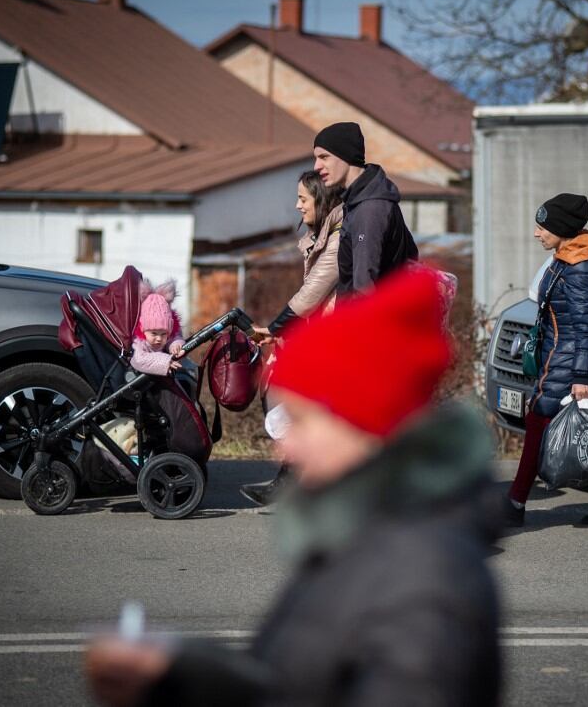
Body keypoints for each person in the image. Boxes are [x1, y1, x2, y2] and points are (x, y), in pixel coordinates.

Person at [85, 268, 502, 707]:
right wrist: (175, 675)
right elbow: (288, 682)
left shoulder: (424, 586)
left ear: (360, 423)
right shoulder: (356, 535)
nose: (285, 448)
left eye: (299, 421)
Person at [503, 193, 588, 528]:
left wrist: (581, 377)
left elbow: (586, 328)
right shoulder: (571, 258)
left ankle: (515, 503)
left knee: (540, 422)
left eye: (543, 227)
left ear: (562, 229)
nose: (537, 233)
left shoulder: (580, 270)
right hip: (564, 359)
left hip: (569, 363)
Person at [242, 171, 344, 506]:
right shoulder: (324, 235)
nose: (298, 206)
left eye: (303, 198)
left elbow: (312, 293)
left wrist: (277, 328)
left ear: (321, 199)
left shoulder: (338, 238)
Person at [311, 121, 418, 296]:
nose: (316, 166)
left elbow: (364, 289)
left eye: (324, 157)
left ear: (345, 155)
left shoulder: (369, 209)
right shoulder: (360, 201)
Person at [129, 280, 184, 376]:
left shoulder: (166, 337)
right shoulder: (140, 342)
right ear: (143, 329)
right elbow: (138, 359)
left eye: (164, 334)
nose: (159, 338)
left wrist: (176, 346)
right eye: (154, 333)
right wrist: (166, 361)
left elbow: (174, 338)